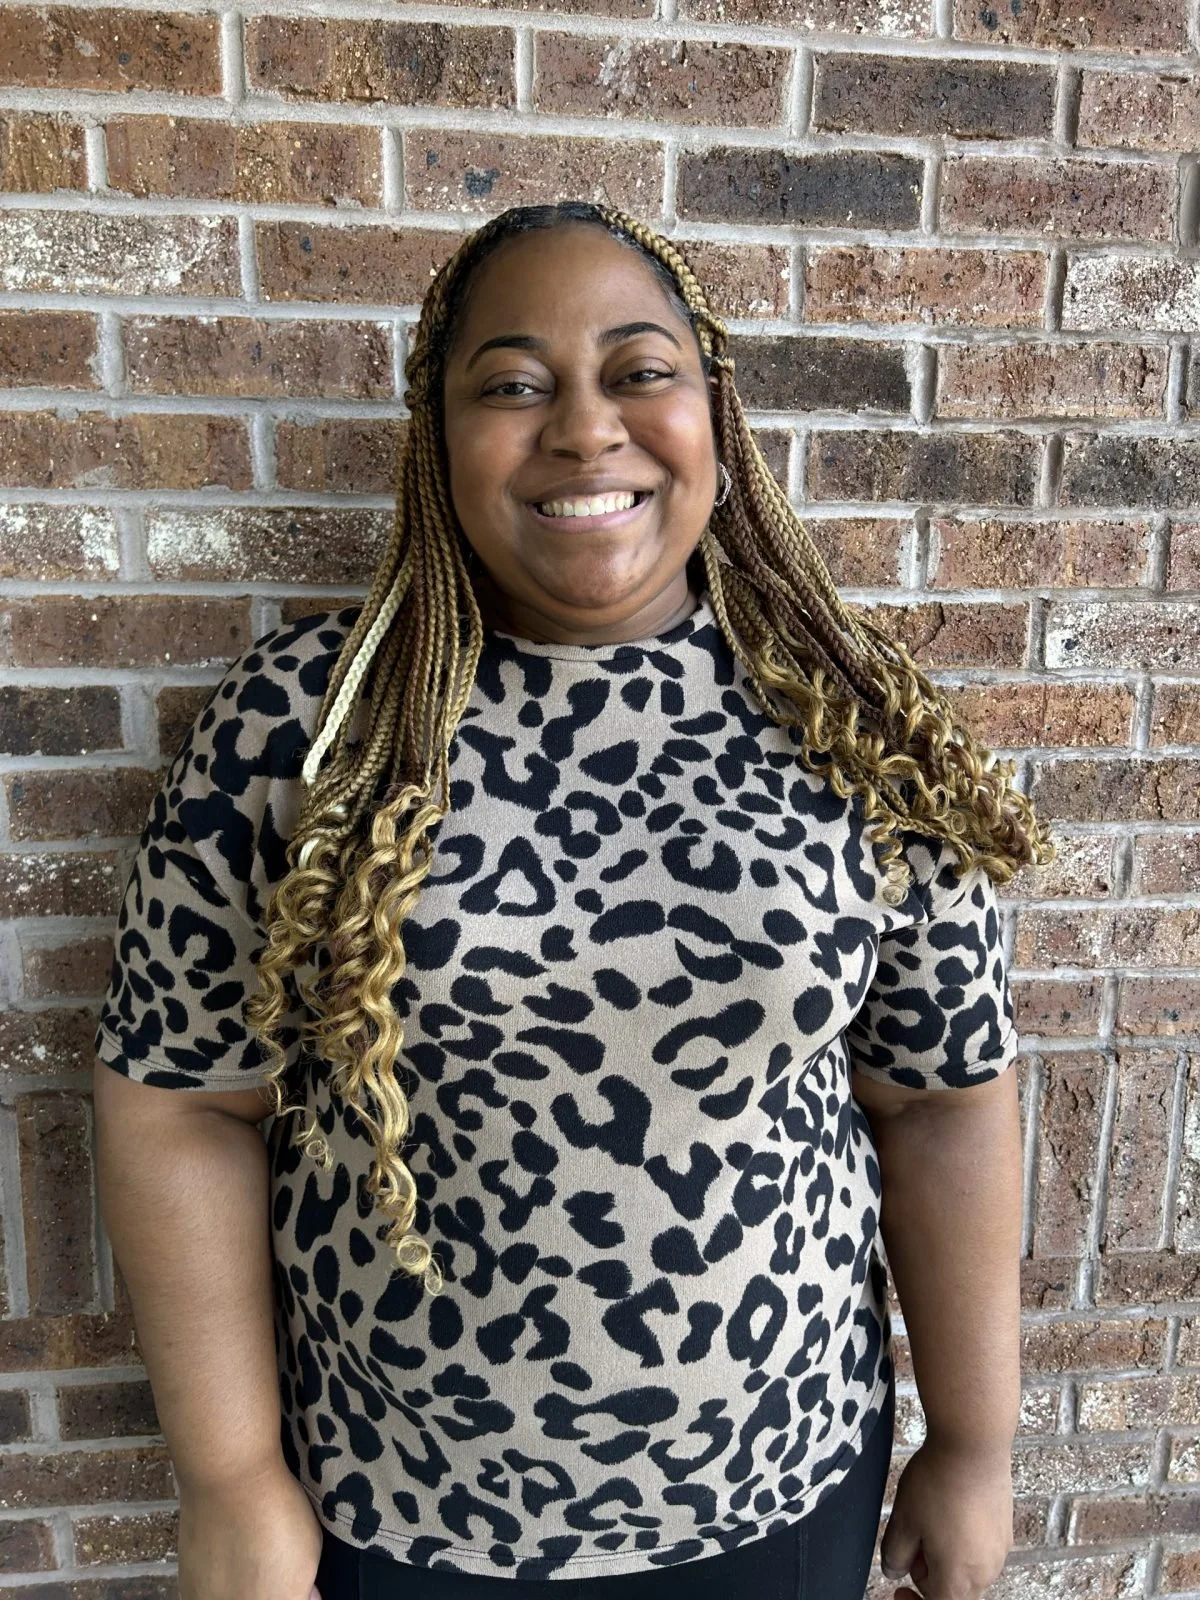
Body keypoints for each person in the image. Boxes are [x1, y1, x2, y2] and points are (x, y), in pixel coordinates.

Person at [93, 201, 1056, 1600]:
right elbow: (182, 1103)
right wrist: (231, 1478)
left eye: (639, 371)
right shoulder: (306, 726)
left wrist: (975, 1440)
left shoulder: (854, 723)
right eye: (513, 385)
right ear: (439, 441)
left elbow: (943, 1097)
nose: (584, 428)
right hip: (400, 1508)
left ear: (712, 415)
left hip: (780, 1495)